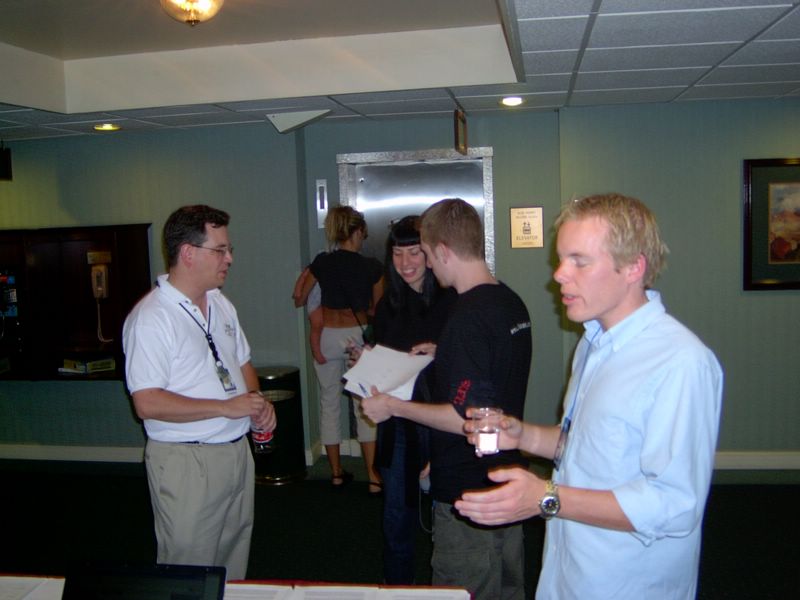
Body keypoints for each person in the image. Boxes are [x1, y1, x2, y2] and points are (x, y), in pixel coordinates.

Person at [455, 193, 724, 600]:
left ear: (633, 267)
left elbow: (675, 505)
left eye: (579, 261)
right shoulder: (593, 343)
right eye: (562, 259)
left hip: (627, 582)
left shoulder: (681, 362)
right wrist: (523, 435)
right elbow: (587, 445)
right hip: (570, 570)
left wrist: (546, 498)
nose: (559, 274)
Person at [362, 198, 532, 600]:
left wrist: (393, 406)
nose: (423, 264)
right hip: (506, 478)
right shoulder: (510, 302)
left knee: (465, 589)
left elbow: (466, 419)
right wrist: (444, 356)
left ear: (441, 250)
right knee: (509, 588)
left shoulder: (465, 319)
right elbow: (491, 383)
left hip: (467, 491)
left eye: (423, 251)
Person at [122, 204, 276, 581]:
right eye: (220, 250)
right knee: (188, 571)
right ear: (188, 253)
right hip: (187, 461)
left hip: (236, 453)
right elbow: (147, 403)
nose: (230, 259)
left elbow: (242, 363)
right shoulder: (151, 318)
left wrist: (256, 405)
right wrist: (225, 408)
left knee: (232, 562)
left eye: (228, 249)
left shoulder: (220, 303)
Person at [370, 215, 457, 584]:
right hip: (398, 423)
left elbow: (464, 368)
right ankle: (397, 589)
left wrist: (441, 352)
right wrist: (367, 362)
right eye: (397, 254)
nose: (405, 263)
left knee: (449, 519)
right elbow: (385, 361)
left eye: (414, 253)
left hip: (442, 420)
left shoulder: (452, 301)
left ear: (430, 255)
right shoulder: (388, 305)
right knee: (397, 519)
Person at [295, 205, 384, 491]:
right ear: (357, 232)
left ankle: (335, 472)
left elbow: (300, 297)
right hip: (356, 335)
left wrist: (309, 273)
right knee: (364, 405)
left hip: (328, 336)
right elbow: (377, 309)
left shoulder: (322, 262)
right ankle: (373, 477)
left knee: (329, 402)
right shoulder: (373, 267)